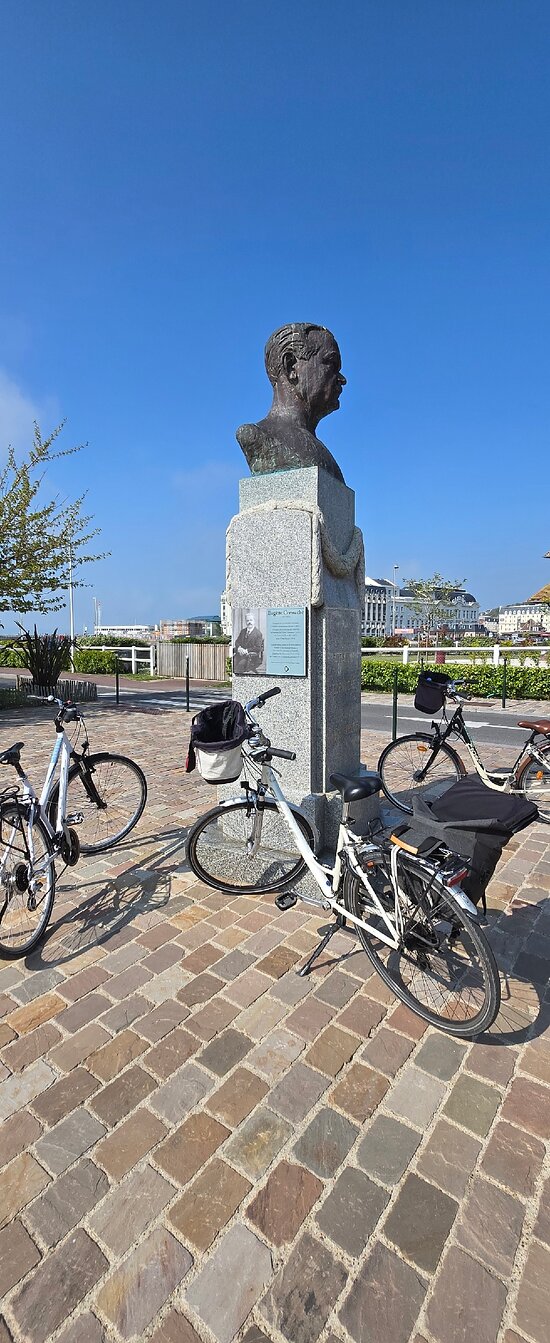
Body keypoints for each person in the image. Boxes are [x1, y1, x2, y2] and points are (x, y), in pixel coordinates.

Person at [236, 323, 346, 483]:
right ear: (291, 366)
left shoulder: (322, 453)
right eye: (331, 363)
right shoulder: (259, 435)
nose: (342, 379)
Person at [233, 610, 264, 674]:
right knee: (232, 662)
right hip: (240, 654)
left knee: (240, 666)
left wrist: (246, 650)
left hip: (251, 657)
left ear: (254, 621)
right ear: (245, 621)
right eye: (247, 620)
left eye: (251, 620)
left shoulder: (258, 633)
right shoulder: (243, 631)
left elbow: (258, 648)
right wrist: (239, 648)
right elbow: (237, 642)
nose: (249, 622)